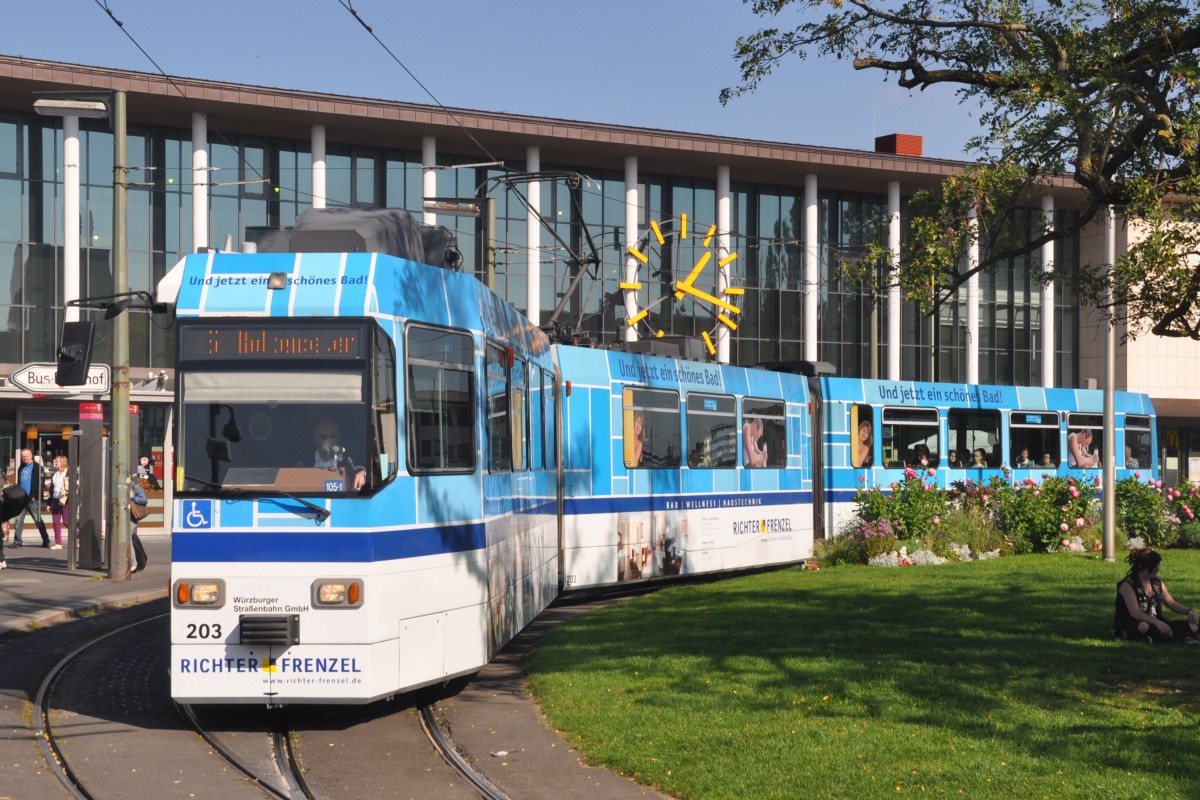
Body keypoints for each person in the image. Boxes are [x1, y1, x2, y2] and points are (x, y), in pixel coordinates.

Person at [1113, 546, 1200, 643]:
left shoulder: (1157, 583)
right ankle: (1160, 637)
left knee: (1194, 626)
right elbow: (1135, 613)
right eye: (1155, 566)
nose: (1158, 569)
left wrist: (1188, 611)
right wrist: (1158, 623)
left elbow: (1171, 603)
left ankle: (1153, 638)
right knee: (1143, 626)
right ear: (1141, 566)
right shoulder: (1128, 585)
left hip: (1156, 623)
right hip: (1133, 623)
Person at [13, 448, 51, 548]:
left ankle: (46, 539)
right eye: (23, 457)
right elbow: (19, 482)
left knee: (38, 520)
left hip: (32, 499)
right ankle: (17, 541)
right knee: (18, 520)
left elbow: (41, 483)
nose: (25, 458)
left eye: (27, 456)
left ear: (31, 456)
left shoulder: (38, 467)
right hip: (21, 498)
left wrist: (35, 495)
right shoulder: (21, 467)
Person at [313, 420, 367, 490]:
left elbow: (368, 470)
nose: (329, 440)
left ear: (339, 436)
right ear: (316, 438)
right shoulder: (305, 461)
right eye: (324, 437)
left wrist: (363, 473)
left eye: (333, 436)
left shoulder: (352, 459)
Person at [48, 455, 69, 550]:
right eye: (55, 461)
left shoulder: (68, 473)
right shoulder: (55, 474)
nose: (55, 463)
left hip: (65, 500)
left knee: (66, 521)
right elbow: (51, 490)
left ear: (63, 462)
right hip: (55, 500)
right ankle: (58, 543)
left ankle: (79, 536)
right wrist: (49, 503)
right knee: (56, 522)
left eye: (57, 461)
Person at [129, 474, 148, 574]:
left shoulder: (135, 487)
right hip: (122, 518)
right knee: (129, 539)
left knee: (128, 538)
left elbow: (144, 500)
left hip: (131, 518)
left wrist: (133, 497)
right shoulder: (119, 486)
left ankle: (134, 564)